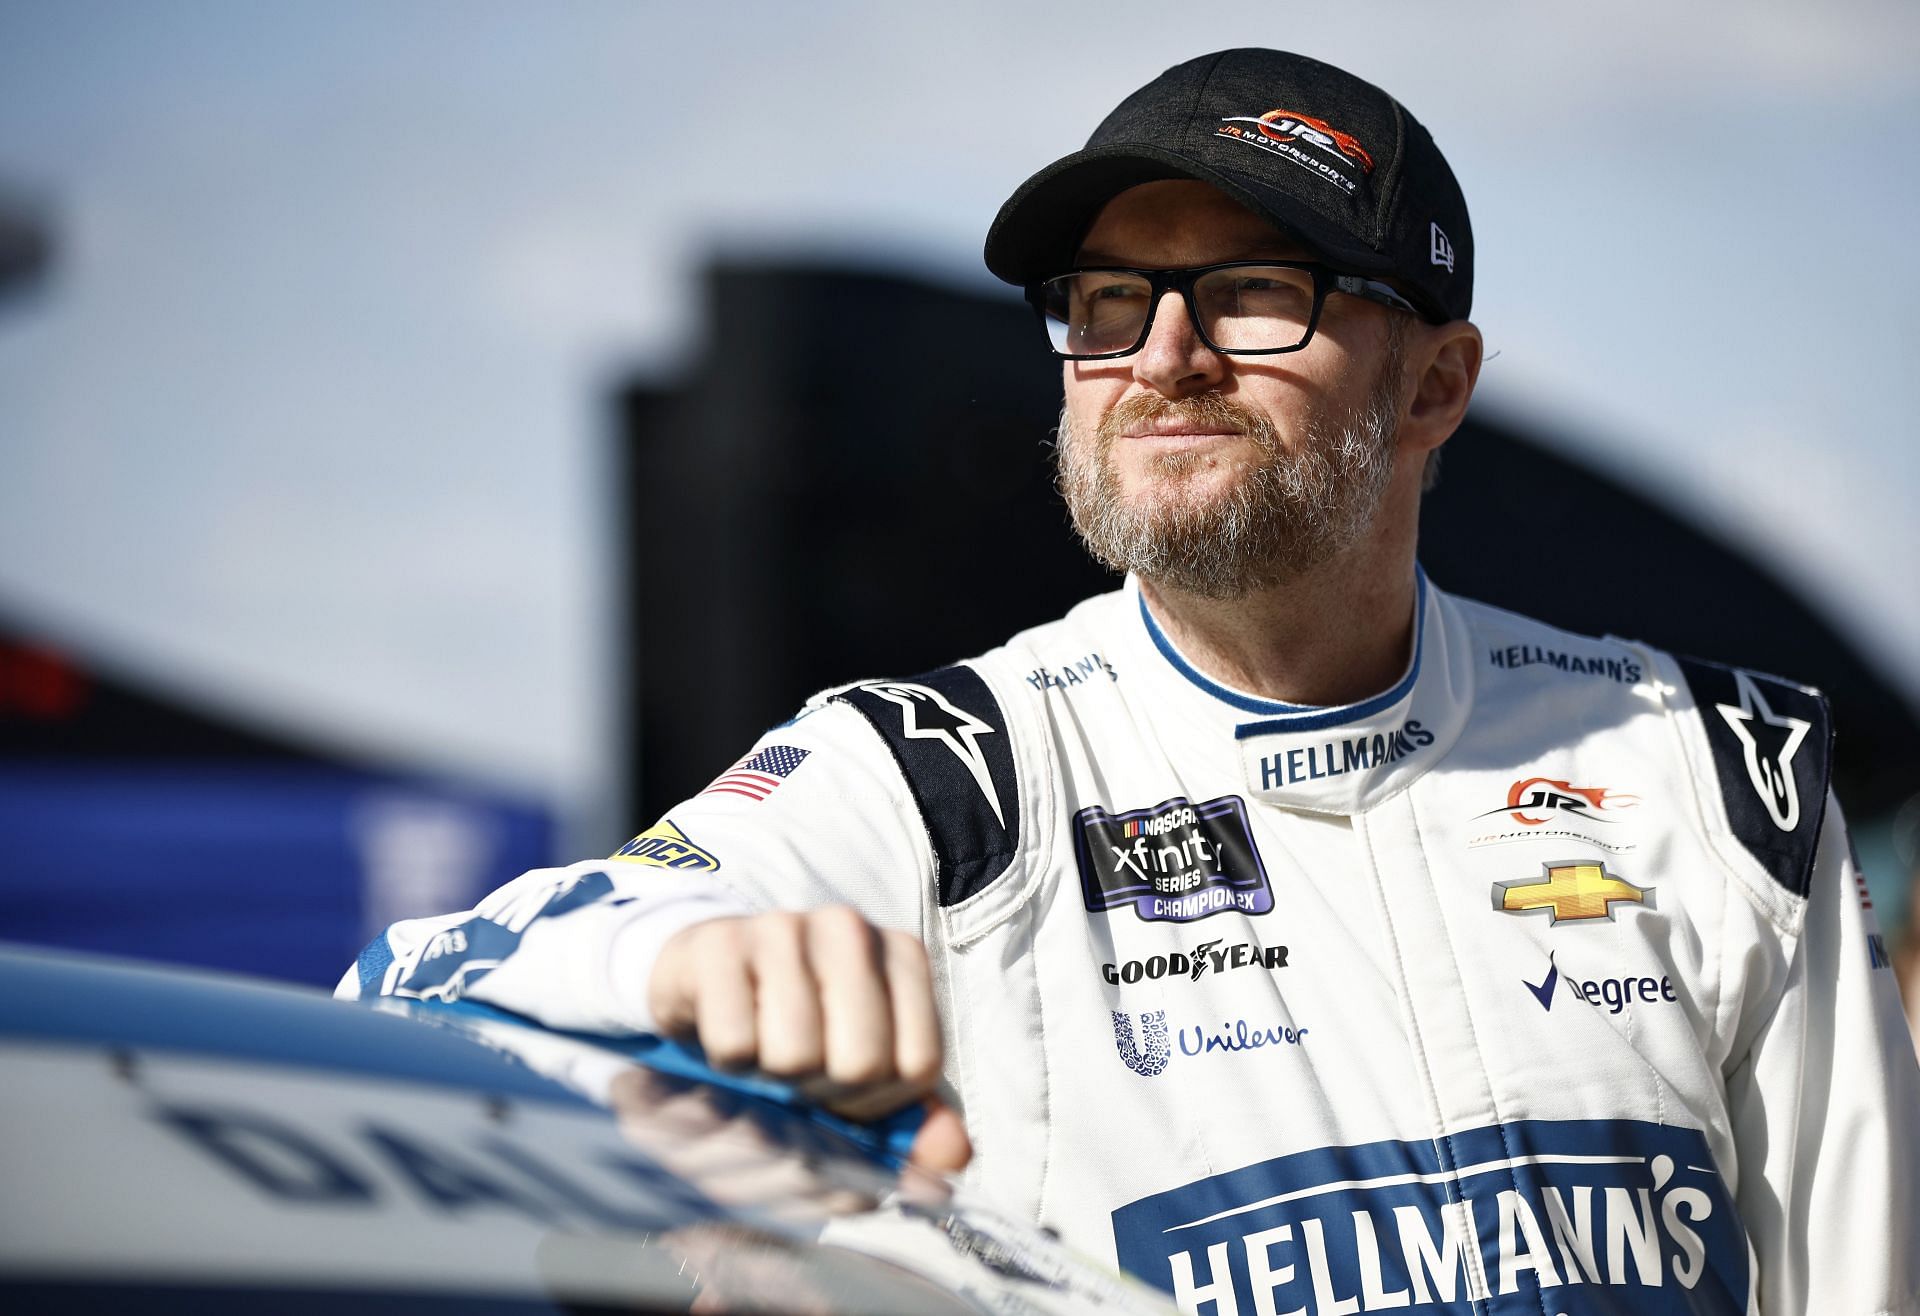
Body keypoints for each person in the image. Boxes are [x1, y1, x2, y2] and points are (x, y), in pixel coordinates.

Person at [341, 49, 1920, 1315]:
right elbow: (404, 1001)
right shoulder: (937, 775)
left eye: (1252, 290)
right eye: (1107, 304)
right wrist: (675, 969)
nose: (1162, 355)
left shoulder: (1720, 772)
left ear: (1436, 384)